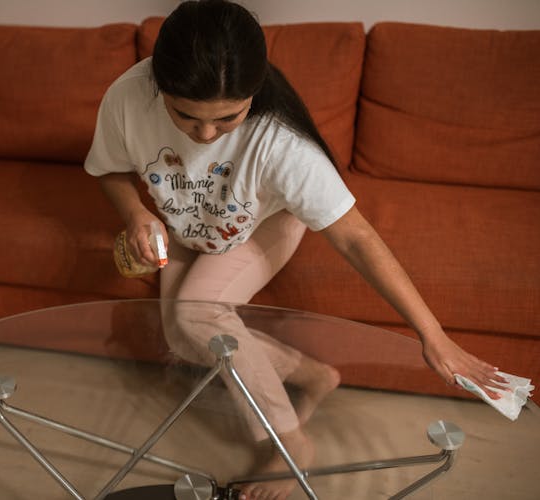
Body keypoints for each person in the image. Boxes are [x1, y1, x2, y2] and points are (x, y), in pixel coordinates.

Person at [84, 1, 505, 498]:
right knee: (180, 338)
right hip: (183, 227)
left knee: (198, 318)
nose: (204, 134)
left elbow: (356, 237)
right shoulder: (128, 97)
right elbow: (109, 169)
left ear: (254, 93)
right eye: (186, 115)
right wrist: (137, 213)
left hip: (262, 226)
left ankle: (291, 443)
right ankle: (314, 374)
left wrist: (431, 334)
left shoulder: (282, 143)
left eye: (227, 118)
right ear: (158, 84)